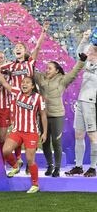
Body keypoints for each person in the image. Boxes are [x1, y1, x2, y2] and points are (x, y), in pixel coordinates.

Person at [0, 22, 50, 168]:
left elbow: (38, 47)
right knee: (17, 127)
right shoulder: (11, 65)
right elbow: (0, 70)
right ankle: (18, 158)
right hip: (15, 98)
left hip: (30, 98)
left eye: (20, 47)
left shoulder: (29, 63)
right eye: (16, 48)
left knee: (30, 124)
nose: (17, 48)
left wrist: (43, 32)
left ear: (25, 51)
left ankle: (29, 158)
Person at [0, 68, 47, 194]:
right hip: (17, 131)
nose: (24, 84)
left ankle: (35, 184)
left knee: (30, 160)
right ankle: (15, 166)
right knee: (5, 151)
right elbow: (4, 83)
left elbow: (43, 115)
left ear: (32, 86)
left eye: (27, 82)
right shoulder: (17, 92)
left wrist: (45, 132)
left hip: (31, 132)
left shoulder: (38, 98)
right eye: (23, 82)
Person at [34, 56, 85, 177]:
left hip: (57, 116)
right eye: (46, 68)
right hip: (43, 116)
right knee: (45, 142)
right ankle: (49, 165)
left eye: (50, 68)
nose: (47, 70)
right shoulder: (40, 77)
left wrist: (81, 61)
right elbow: (28, 69)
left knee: (56, 143)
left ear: (57, 70)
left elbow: (74, 72)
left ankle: (57, 168)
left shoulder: (62, 80)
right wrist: (26, 59)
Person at [65, 30, 97, 177]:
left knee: (92, 136)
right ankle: (78, 166)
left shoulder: (93, 64)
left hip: (92, 103)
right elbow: (79, 53)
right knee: (79, 135)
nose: (87, 52)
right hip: (81, 101)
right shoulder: (87, 63)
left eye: (90, 50)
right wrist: (84, 39)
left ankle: (93, 167)